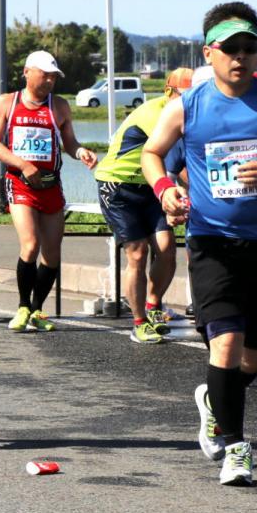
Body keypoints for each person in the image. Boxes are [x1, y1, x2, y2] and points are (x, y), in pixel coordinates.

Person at [142, 2, 257, 486]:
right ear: (210, 52)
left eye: (250, 48)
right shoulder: (189, 104)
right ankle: (237, 448)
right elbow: (152, 154)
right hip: (212, 243)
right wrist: (165, 190)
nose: (240, 57)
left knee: (253, 358)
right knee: (225, 345)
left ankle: (212, 401)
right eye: (230, 49)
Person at [0, 50, 98, 332]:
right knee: (31, 244)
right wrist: (23, 165)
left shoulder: (59, 106)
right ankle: (22, 306)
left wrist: (81, 151)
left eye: (53, 76)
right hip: (20, 182)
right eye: (44, 74)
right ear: (27, 72)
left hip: (51, 185)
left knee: (52, 253)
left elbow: (69, 142)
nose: (49, 80)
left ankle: (37, 310)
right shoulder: (7, 103)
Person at [95, 67, 194, 343]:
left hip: (151, 186)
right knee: (137, 254)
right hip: (119, 185)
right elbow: (176, 159)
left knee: (166, 250)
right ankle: (138, 323)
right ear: (169, 92)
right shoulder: (157, 113)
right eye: (184, 96)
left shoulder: (188, 112)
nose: (189, 102)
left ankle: (152, 307)